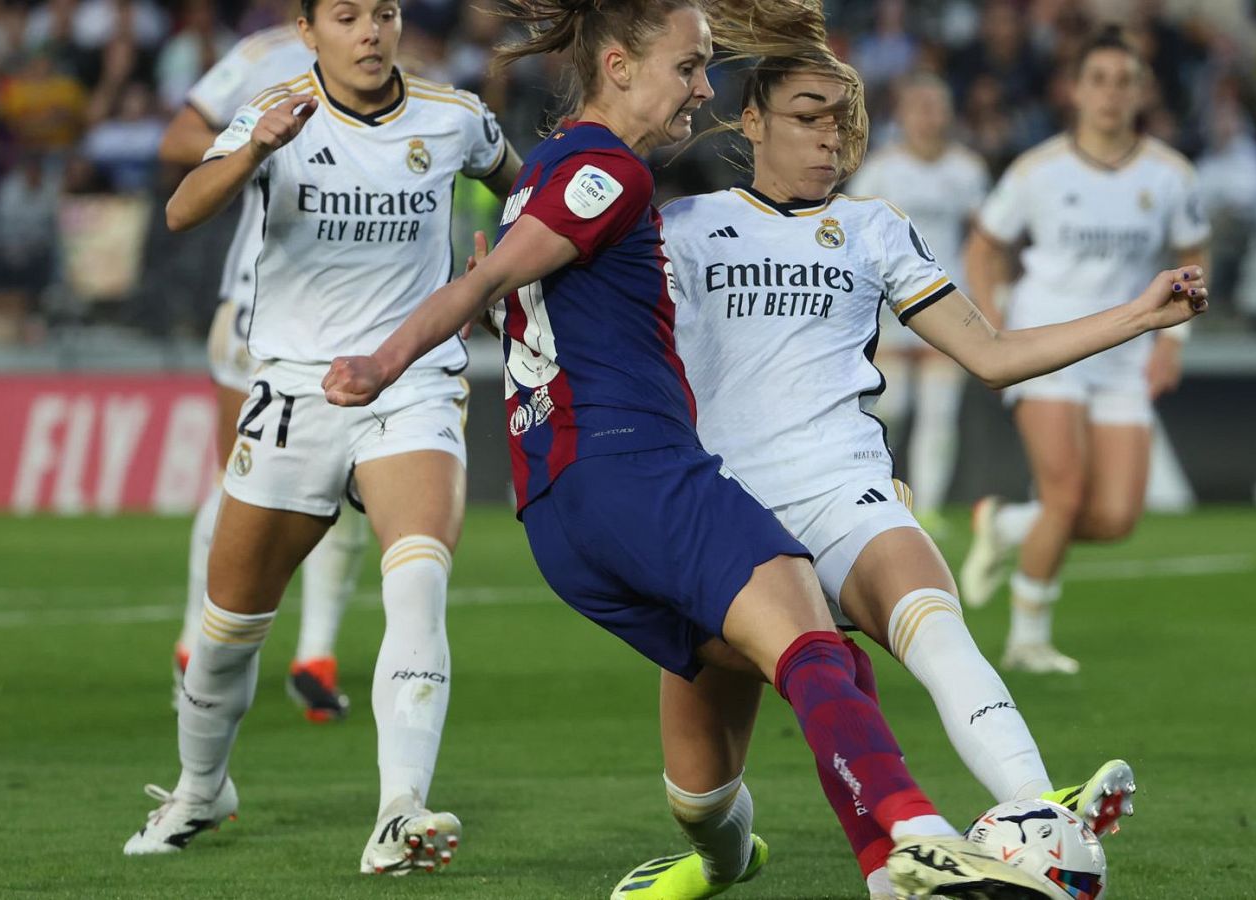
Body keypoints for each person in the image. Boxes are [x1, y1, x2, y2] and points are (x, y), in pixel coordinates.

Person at [321, 0, 1088, 895]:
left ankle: (882, 866)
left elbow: (511, 295)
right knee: (813, 641)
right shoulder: (615, 173)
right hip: (636, 469)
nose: (701, 89)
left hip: (557, 511)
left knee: (786, 685)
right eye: (688, 67)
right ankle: (917, 835)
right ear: (618, 65)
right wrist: (381, 362)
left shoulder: (547, 174)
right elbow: (490, 277)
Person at [614, 17, 1205, 899]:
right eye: (809, 116)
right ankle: (721, 857)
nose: (830, 138)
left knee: (933, 615)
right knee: (701, 798)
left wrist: (1140, 314)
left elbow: (993, 352)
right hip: (725, 509)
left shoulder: (874, 230)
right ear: (751, 122)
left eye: (843, 123)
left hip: (843, 484)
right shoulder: (684, 229)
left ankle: (1039, 808)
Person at [122, 0, 519, 875]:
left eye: (385, 12)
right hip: (295, 392)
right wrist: (257, 146)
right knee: (228, 633)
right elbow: (183, 209)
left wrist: (502, 266)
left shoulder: (454, 121)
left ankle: (401, 809)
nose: (373, 30)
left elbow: (523, 191)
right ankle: (199, 788)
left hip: (410, 379)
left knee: (418, 579)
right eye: (348, 15)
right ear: (309, 32)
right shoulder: (274, 113)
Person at [960, 26, 1211, 675]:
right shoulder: (1038, 170)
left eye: (1123, 79)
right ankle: (1028, 637)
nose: (1110, 92)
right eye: (1097, 78)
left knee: (1117, 516)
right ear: (1075, 89)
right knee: (1066, 493)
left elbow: (1193, 252)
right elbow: (983, 245)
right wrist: (992, 326)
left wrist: (1174, 340)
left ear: (1142, 90)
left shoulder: (1170, 174)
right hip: (1047, 341)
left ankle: (1008, 526)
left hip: (1126, 349)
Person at [157, 8, 364, 722]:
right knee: (238, 475)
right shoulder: (264, 61)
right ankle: (195, 641)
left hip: (351, 309)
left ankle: (315, 655)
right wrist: (250, 145)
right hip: (256, 299)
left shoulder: (392, 70)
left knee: (350, 478)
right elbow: (180, 137)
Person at [847, 72, 990, 530]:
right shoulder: (882, 170)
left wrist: (982, 299)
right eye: (919, 106)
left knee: (939, 411)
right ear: (903, 113)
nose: (928, 115)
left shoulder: (968, 170)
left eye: (936, 105)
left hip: (947, 305)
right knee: (891, 407)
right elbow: (855, 238)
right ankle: (874, 497)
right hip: (890, 307)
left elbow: (982, 239)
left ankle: (926, 507)